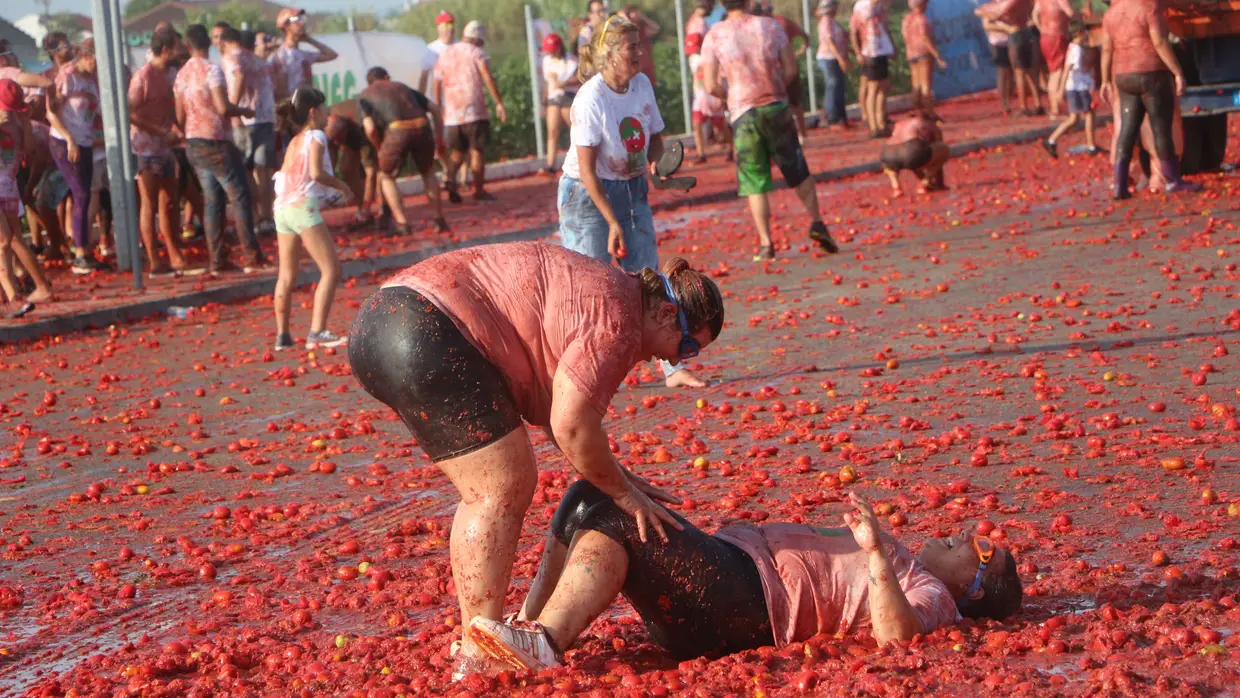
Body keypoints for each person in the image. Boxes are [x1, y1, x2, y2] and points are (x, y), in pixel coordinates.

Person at [348, 242, 725, 677]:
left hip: (381, 321)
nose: (678, 359)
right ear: (664, 313)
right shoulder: (619, 320)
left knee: (494, 484)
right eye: (688, 346)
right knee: (500, 485)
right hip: (424, 324)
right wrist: (623, 494)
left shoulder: (611, 291)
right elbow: (571, 426)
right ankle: (479, 650)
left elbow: (556, 416)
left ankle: (482, 637)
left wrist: (616, 476)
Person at [466, 485, 1024, 671]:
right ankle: (529, 631)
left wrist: (877, 555)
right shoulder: (916, 563)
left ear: (973, 588)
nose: (964, 533)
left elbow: (896, 638)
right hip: (730, 577)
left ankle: (541, 641)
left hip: (746, 603)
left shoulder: (933, 596)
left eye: (980, 548)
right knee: (592, 497)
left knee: (610, 503)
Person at [560, 14, 706, 390]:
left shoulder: (641, 84)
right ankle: (575, 376)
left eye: (639, 44)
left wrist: (657, 165)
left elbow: (654, 136)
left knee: (651, 282)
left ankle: (673, 369)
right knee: (586, 286)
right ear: (609, 55)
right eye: (632, 47)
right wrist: (611, 221)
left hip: (630, 187)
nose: (640, 52)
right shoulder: (591, 97)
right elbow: (588, 171)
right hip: (587, 196)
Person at [701, 0, 837, 262]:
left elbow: (710, 85)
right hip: (776, 105)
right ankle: (817, 222)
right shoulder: (770, 26)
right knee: (797, 169)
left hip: (743, 112)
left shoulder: (715, 35)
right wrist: (773, 87)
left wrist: (732, 95)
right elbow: (790, 69)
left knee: (754, 180)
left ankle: (766, 243)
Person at [175, 24, 263, 274]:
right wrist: (245, 111)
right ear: (209, 44)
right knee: (239, 195)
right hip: (215, 140)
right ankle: (251, 255)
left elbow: (180, 115)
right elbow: (223, 108)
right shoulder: (212, 70)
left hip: (194, 142)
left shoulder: (182, 75)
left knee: (212, 201)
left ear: (188, 45)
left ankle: (218, 259)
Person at [271, 88, 351, 352]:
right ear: (314, 112)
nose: (329, 113)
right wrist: (342, 186)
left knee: (286, 275)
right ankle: (317, 331)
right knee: (331, 269)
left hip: (282, 208)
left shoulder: (295, 140)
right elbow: (316, 173)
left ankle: (283, 336)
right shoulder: (316, 135)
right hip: (301, 208)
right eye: (325, 108)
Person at [1101, 0, 1199, 198]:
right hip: (1151, 74)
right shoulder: (1148, 7)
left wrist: (1104, 80)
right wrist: (1177, 71)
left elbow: (1106, 50)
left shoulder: (1111, 13)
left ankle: (1120, 185)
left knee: (1127, 130)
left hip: (1124, 76)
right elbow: (1159, 42)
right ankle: (1172, 180)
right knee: (1161, 127)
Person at [129, 26, 194, 277]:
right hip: (144, 148)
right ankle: (155, 260)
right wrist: (158, 131)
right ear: (165, 49)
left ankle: (174, 252)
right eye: (177, 47)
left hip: (165, 147)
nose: (180, 52)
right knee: (149, 204)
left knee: (169, 203)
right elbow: (131, 113)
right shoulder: (142, 77)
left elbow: (172, 107)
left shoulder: (171, 74)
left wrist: (176, 129)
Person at [358, 66, 449, 235]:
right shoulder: (402, 87)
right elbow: (435, 109)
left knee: (386, 176)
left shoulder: (366, 94)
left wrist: (379, 148)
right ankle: (439, 219)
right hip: (422, 127)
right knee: (428, 172)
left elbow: (369, 128)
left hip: (396, 131)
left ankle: (402, 223)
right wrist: (439, 138)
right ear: (387, 77)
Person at [45, 37, 105, 275]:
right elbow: (51, 113)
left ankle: (85, 248)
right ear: (86, 56)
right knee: (80, 192)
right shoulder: (67, 75)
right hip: (64, 141)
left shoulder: (91, 80)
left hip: (86, 142)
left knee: (86, 194)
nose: (97, 68)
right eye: (96, 62)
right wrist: (69, 138)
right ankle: (80, 252)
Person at [434, 21, 507, 203]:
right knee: (477, 151)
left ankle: (450, 179)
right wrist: (499, 103)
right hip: (474, 111)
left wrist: (439, 107)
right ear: (476, 38)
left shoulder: (445, 53)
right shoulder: (477, 53)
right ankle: (479, 191)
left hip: (452, 113)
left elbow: (436, 81)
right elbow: (487, 78)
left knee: (457, 153)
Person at [0, 79, 53, 315]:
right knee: (4, 242)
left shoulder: (19, 124)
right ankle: (13, 295)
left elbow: (29, 151)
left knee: (11, 242)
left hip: (9, 187)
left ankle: (27, 290)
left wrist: (24, 123)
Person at [223, 28, 278, 236]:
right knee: (263, 172)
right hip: (264, 119)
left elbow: (239, 76)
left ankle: (253, 218)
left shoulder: (232, 57)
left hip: (243, 121)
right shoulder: (258, 60)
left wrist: (232, 108)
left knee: (245, 172)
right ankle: (267, 218)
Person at [754, 0, 811, 141]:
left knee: (790, 102)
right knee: (790, 103)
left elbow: (804, 35)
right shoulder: (772, 23)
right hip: (777, 69)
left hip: (778, 70)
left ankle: (800, 134)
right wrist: (803, 48)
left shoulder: (769, 24)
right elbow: (804, 35)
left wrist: (802, 49)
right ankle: (799, 134)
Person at [1043, 21, 1101, 157]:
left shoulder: (1074, 48)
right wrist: (1060, 89)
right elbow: (1067, 69)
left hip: (1075, 86)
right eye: (1085, 32)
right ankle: (1091, 146)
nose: (1088, 34)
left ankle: (1051, 140)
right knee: (1089, 114)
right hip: (1077, 87)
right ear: (1079, 33)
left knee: (1074, 118)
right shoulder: (1076, 49)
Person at [324, 101, 384, 228]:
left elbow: (371, 174)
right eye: (334, 142)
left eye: (338, 140)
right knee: (345, 169)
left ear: (344, 132)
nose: (337, 144)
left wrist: (367, 206)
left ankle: (375, 209)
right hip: (345, 130)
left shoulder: (361, 129)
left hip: (370, 132)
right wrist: (330, 189)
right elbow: (331, 166)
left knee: (378, 172)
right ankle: (362, 206)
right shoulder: (326, 125)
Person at [977, 0, 1042, 115]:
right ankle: (1036, 103)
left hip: (1016, 34)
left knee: (1020, 73)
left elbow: (998, 13)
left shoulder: (1010, 3)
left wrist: (983, 12)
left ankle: (1024, 107)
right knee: (1026, 72)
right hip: (1022, 33)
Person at [270, 8, 339, 102]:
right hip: (291, 107)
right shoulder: (280, 55)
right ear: (286, 25)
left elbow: (332, 55)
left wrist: (309, 40)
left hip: (305, 105)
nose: (302, 23)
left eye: (301, 18)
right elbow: (279, 91)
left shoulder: (303, 54)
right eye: (296, 19)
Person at [880, 110, 950, 196]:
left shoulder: (899, 124)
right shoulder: (925, 122)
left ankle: (896, 188)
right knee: (944, 149)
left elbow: (914, 163)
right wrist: (939, 184)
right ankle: (925, 183)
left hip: (887, 153)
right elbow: (938, 143)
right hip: (911, 150)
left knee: (901, 161)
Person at [851, 0, 895, 138]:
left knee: (883, 87)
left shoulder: (880, 7)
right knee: (873, 88)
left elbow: (885, 27)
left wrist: (891, 46)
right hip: (870, 52)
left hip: (881, 51)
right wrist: (858, 52)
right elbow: (854, 32)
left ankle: (882, 123)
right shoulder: (861, 7)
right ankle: (873, 125)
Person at [687, 32, 731, 163]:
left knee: (721, 128)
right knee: (697, 124)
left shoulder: (713, 57)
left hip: (713, 96)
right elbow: (697, 78)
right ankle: (701, 154)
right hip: (700, 98)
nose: (693, 51)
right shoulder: (693, 59)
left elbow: (720, 76)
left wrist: (720, 98)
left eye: (695, 47)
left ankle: (732, 149)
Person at [540, 33, 579, 176]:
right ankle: (550, 166)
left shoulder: (571, 60)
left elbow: (580, 78)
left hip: (568, 96)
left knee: (576, 130)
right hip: (553, 97)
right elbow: (547, 83)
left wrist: (565, 83)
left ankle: (581, 161)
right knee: (552, 131)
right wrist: (544, 102)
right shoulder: (547, 61)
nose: (549, 52)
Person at [902, 0, 948, 119]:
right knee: (925, 86)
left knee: (916, 85)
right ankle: (930, 113)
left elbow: (905, 36)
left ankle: (919, 111)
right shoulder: (921, 19)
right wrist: (937, 56)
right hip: (923, 53)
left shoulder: (906, 19)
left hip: (911, 53)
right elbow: (925, 38)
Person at [1034, 0, 1076, 117]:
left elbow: (1034, 14)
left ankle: (1054, 107)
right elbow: (1070, 13)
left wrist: (1041, 28)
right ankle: (1056, 108)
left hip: (1045, 36)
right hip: (1057, 36)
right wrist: (1082, 14)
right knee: (1059, 71)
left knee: (1053, 71)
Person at [816, 0, 852, 129]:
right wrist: (841, 59)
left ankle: (840, 116)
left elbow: (842, 39)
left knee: (838, 86)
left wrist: (847, 54)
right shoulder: (826, 21)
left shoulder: (832, 21)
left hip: (835, 57)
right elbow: (830, 42)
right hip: (828, 57)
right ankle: (832, 118)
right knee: (833, 85)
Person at [618, 5, 660, 88]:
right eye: (634, 12)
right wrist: (624, 16)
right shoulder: (626, 31)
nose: (637, 14)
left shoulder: (641, 30)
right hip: (634, 70)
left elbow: (656, 28)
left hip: (646, 68)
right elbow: (629, 27)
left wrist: (643, 18)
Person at [981, 16, 1016, 114]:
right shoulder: (991, 7)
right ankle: (1004, 104)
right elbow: (986, 25)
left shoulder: (1008, 5)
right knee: (1002, 72)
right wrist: (1005, 28)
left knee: (1011, 73)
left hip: (1010, 41)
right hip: (997, 43)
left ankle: (1009, 101)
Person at [418, 11, 456, 96]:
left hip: (458, 101)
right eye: (446, 25)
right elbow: (424, 77)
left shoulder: (460, 47)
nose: (450, 28)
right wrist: (420, 101)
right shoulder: (431, 49)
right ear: (439, 28)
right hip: (438, 102)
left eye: (451, 24)